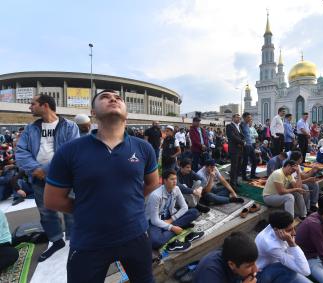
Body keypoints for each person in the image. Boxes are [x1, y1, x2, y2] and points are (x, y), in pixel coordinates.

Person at [44, 90, 159, 282]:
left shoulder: (143, 148)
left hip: (136, 235)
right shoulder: (70, 151)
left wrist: (130, 202)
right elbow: (53, 200)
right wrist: (88, 208)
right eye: (105, 97)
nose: (113, 99)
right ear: (93, 112)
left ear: (126, 113)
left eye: (118, 98)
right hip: (89, 241)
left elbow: (153, 182)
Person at [15, 94, 79, 262]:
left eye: (32, 104)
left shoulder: (69, 126)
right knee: (46, 212)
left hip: (65, 177)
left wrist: (46, 170)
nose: (30, 107)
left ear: (45, 106)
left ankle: (74, 241)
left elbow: (71, 153)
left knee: (70, 209)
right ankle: (56, 241)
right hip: (38, 178)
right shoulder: (31, 128)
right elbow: (21, 153)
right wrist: (36, 170)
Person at [146, 170, 202, 251]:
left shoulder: (176, 189)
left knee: (194, 212)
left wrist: (170, 220)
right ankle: (179, 228)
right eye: (172, 179)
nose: (175, 181)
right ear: (164, 180)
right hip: (155, 222)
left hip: (169, 218)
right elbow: (154, 220)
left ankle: (167, 231)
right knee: (155, 242)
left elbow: (184, 207)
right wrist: (172, 228)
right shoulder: (155, 195)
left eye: (176, 179)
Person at [256, 211, 311, 283]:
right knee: (291, 271)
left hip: (275, 266)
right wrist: (291, 242)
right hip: (260, 274)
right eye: (289, 230)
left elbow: (295, 260)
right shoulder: (271, 245)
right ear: (276, 230)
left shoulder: (274, 226)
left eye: (294, 228)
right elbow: (306, 271)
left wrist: (289, 241)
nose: (294, 233)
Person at [193, 231, 258, 283]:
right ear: (231, 264)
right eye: (249, 266)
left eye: (255, 263)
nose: (255, 269)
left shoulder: (235, 258)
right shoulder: (210, 273)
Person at [226, 114, 245, 189]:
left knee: (238, 167)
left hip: (240, 149)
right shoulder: (229, 126)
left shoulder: (239, 126)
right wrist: (242, 142)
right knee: (234, 167)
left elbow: (242, 135)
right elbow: (232, 137)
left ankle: (236, 181)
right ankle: (232, 184)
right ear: (233, 118)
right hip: (234, 149)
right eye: (237, 117)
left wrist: (243, 141)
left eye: (239, 118)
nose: (239, 119)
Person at [241, 112, 258, 181]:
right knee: (245, 162)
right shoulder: (241, 125)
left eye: (250, 117)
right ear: (244, 118)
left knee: (254, 160)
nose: (250, 118)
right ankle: (244, 177)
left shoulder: (248, 125)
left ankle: (252, 175)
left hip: (250, 145)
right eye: (248, 117)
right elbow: (240, 135)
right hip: (245, 146)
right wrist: (243, 142)